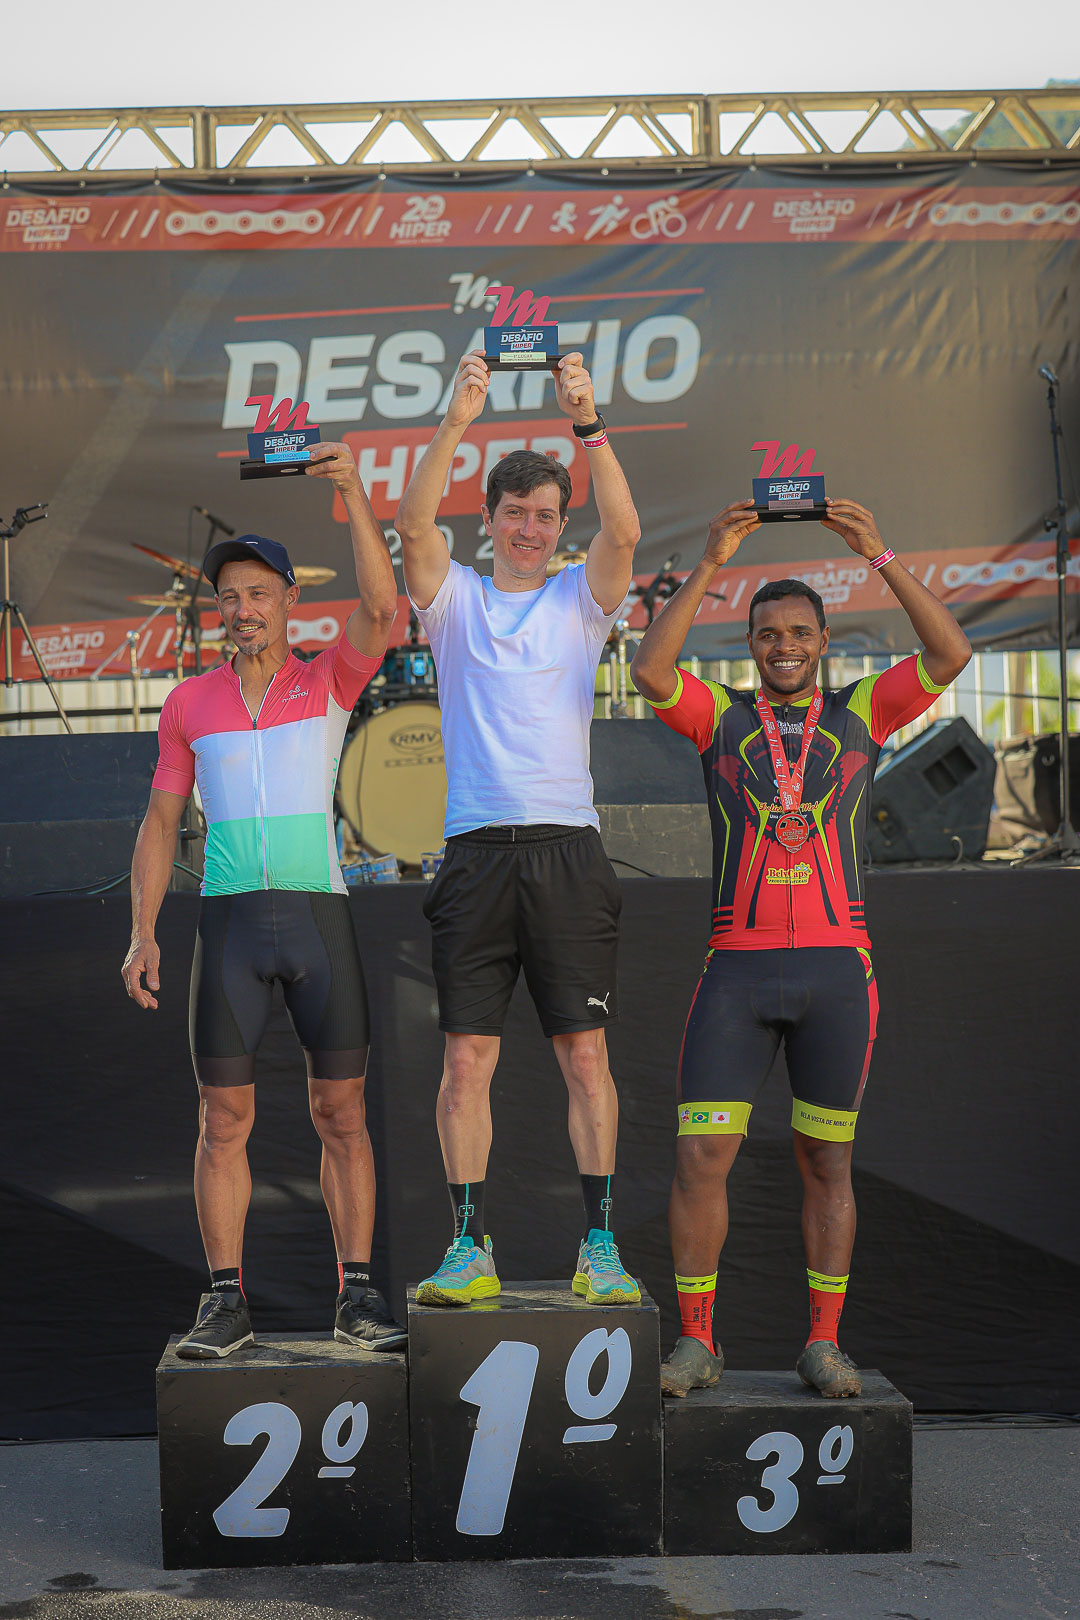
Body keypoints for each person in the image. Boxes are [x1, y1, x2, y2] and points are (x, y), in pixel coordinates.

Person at [630, 497, 971, 1397]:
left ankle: (823, 1343)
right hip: (736, 971)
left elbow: (950, 654)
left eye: (799, 632)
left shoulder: (862, 710)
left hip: (836, 971)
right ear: (750, 643)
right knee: (699, 1158)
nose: (783, 645)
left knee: (827, 1161)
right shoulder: (719, 716)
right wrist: (710, 562)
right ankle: (698, 1342)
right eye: (767, 633)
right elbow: (650, 667)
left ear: (823, 641)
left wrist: (879, 552)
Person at [121, 444, 406, 1360]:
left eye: (257, 593)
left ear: (288, 601)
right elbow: (161, 821)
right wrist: (141, 934)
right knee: (223, 1122)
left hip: (319, 920)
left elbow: (382, 608)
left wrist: (351, 489)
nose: (242, 609)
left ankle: (357, 1296)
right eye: (228, 597)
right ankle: (224, 1301)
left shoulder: (329, 680)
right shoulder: (187, 703)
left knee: (343, 1117)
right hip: (231, 926)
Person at [394, 349, 642, 1306]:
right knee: (466, 1060)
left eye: (545, 516)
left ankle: (601, 1246)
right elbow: (413, 525)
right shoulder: (453, 599)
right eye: (514, 513)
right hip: (475, 855)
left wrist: (588, 421)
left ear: (558, 527)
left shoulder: (582, 600)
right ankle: (469, 1247)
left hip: (567, 852)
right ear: (489, 519)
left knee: (586, 1057)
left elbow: (625, 528)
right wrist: (458, 418)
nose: (529, 529)